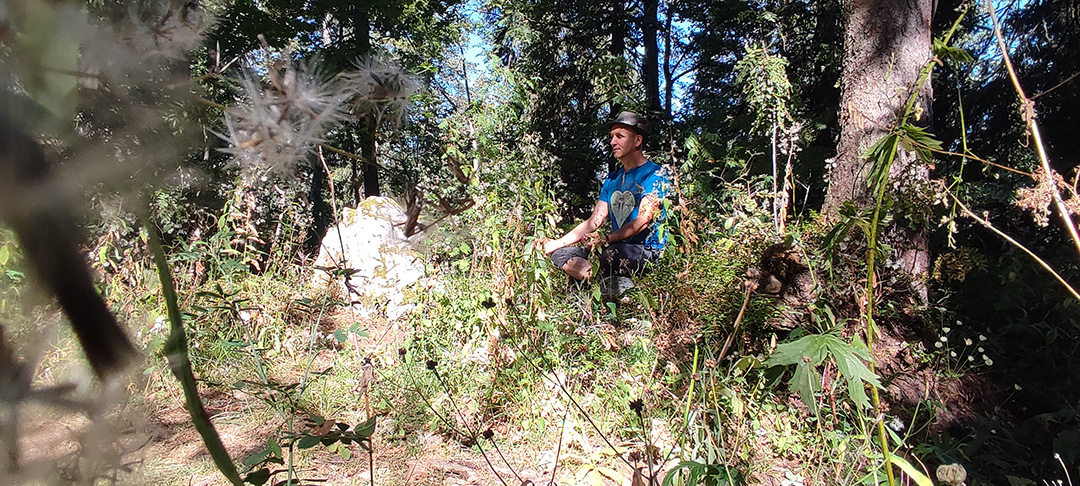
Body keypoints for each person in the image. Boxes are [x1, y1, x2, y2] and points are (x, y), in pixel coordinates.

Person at [536, 111, 672, 296]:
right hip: (614, 250)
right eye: (612, 137)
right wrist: (557, 243)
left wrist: (606, 239)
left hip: (647, 251)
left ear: (637, 141)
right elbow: (594, 221)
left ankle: (613, 288)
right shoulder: (612, 179)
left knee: (606, 254)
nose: (612, 142)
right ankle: (609, 286)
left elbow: (643, 220)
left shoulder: (655, 175)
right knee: (563, 255)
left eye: (620, 136)